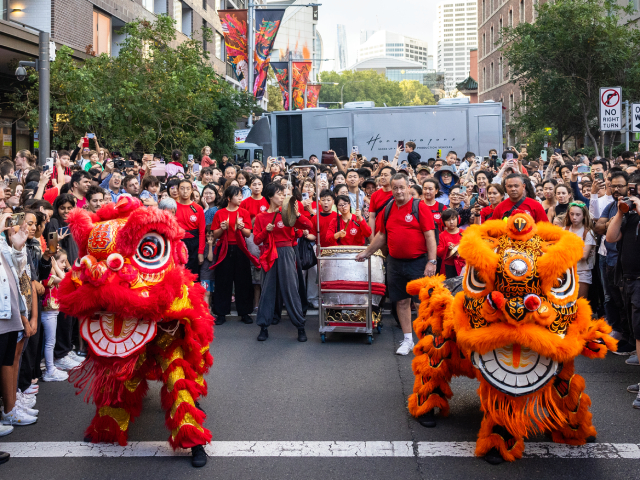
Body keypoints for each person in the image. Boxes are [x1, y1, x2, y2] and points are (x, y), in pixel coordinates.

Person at [355, 174, 437, 356]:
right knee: (400, 301)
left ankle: (426, 340)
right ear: (391, 189)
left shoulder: (419, 207)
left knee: (420, 303)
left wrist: (432, 261)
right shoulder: (389, 208)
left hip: (418, 262)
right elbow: (382, 236)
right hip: (394, 262)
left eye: (402, 187)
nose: (399, 191)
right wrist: (366, 252)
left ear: (408, 187)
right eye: (395, 188)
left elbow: (430, 236)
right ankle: (407, 340)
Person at [253, 183, 313, 342]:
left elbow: (309, 226)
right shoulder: (261, 217)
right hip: (269, 254)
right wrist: (267, 230)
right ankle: (263, 327)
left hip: (287, 252)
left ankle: (300, 327)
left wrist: (298, 214)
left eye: (283, 194)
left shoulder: (287, 213)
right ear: (270, 196)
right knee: (267, 290)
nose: (282, 197)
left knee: (291, 289)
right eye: (279, 194)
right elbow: (257, 239)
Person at [0, 213, 36, 430]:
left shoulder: (4, 240)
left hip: (10, 306)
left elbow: (18, 270)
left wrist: (18, 248)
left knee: (8, 358)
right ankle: (8, 408)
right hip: (5, 308)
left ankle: (10, 407)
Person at [605, 187, 640, 395]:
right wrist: (620, 212)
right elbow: (610, 237)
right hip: (628, 279)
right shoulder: (630, 217)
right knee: (637, 332)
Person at [211, 186, 255, 325]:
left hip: (240, 247)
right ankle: (221, 312)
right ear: (229, 198)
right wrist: (222, 228)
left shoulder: (244, 212)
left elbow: (248, 233)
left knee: (243, 281)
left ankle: (245, 312)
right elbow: (215, 234)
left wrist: (242, 228)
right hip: (224, 247)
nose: (240, 197)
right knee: (223, 281)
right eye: (237, 195)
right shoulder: (220, 213)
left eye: (241, 195)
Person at [41, 249, 69, 382]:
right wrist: (56, 267)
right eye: (61, 262)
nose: (63, 265)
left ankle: (50, 367)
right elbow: (65, 280)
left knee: (50, 342)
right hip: (48, 313)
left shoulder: (52, 275)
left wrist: (57, 266)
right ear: (53, 263)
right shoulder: (48, 278)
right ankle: (49, 370)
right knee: (49, 343)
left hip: (52, 312)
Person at [174, 180, 206, 279]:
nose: (185, 191)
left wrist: (200, 252)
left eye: (188, 188)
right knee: (178, 274)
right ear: (178, 190)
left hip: (194, 245)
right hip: (177, 243)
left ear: (192, 190)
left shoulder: (198, 208)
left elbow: (202, 232)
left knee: (193, 276)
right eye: (182, 188)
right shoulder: (172, 206)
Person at [564, 201, 595, 298]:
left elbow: (584, 255)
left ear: (584, 216)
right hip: (565, 271)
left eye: (578, 215)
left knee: (580, 301)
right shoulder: (564, 230)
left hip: (582, 271)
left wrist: (566, 250)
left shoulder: (588, 233)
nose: (574, 217)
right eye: (572, 214)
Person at [437, 209, 464, 279]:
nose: (451, 222)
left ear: (458, 219)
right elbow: (438, 253)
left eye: (453, 219)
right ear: (443, 222)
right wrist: (447, 247)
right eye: (448, 220)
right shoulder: (441, 236)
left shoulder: (465, 233)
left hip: (463, 266)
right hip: (448, 267)